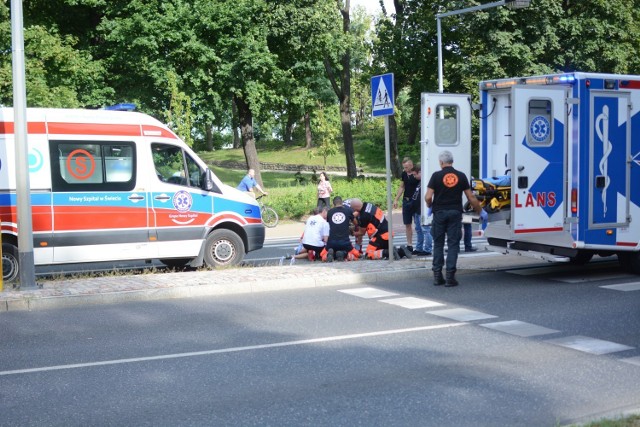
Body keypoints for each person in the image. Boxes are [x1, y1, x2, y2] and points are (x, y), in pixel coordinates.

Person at [425, 150, 487, 287]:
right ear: (452, 161)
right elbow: (471, 197)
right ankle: (450, 277)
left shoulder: (436, 176)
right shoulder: (461, 176)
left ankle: (437, 276)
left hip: (439, 213)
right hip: (455, 213)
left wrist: (430, 206)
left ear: (441, 162)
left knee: (438, 243)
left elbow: (428, 196)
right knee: (453, 244)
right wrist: (481, 211)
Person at [347, 198, 412, 260]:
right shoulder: (368, 205)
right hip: (388, 233)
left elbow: (362, 233)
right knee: (382, 251)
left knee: (368, 254)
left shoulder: (364, 217)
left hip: (380, 237)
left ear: (355, 208)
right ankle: (400, 251)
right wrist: (351, 217)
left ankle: (388, 253)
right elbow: (360, 212)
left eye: (352, 208)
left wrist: (352, 233)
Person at [320, 196, 360, 262]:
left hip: (331, 242)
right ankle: (344, 254)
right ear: (342, 203)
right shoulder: (348, 210)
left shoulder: (329, 212)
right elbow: (356, 223)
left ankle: (329, 255)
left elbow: (330, 223)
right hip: (345, 242)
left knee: (322, 254)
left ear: (333, 204)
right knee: (356, 255)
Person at [393, 157, 418, 253]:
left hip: (415, 200)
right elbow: (402, 186)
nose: (405, 169)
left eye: (407, 167)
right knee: (407, 223)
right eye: (404, 167)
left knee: (418, 224)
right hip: (406, 200)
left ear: (412, 165)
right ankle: (409, 244)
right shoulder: (404, 174)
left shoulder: (417, 173)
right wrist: (396, 199)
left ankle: (420, 245)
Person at [410, 164, 432, 256]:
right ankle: (419, 248)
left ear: (420, 172)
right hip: (416, 210)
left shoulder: (426, 182)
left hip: (422, 210)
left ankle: (427, 249)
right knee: (418, 230)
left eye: (415, 174)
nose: (414, 176)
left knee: (425, 230)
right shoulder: (419, 182)